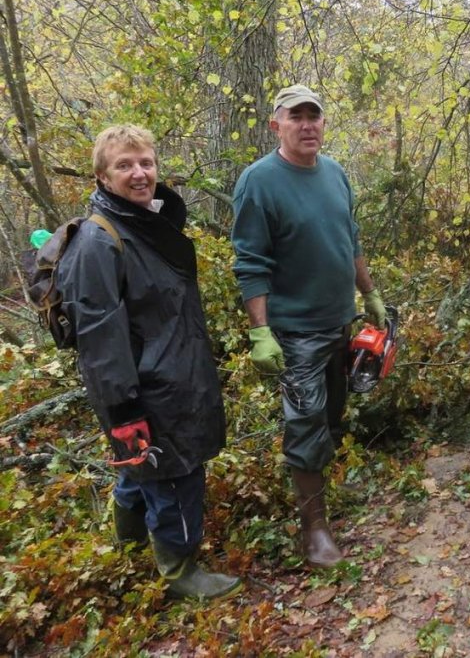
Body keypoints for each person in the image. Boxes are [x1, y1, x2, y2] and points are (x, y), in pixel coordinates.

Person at [58, 124, 241, 600]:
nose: (139, 174)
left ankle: (128, 537)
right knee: (174, 471)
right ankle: (180, 570)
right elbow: (99, 340)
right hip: (147, 389)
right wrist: (123, 413)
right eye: (124, 165)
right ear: (101, 176)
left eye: (146, 163)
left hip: (173, 373)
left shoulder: (150, 225)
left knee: (139, 469)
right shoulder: (100, 243)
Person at [230, 84, 387, 568]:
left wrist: (369, 292)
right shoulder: (259, 181)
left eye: (313, 117)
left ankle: (321, 498)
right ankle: (314, 532)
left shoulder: (336, 173)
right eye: (295, 117)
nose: (306, 125)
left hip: (340, 322)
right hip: (294, 332)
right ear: (276, 125)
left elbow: (349, 238)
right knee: (304, 425)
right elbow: (250, 261)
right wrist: (261, 332)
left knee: (332, 417)